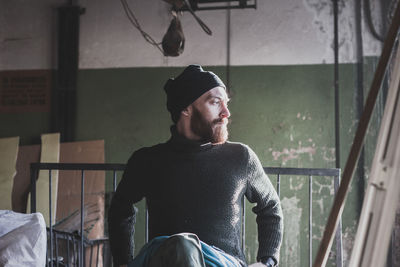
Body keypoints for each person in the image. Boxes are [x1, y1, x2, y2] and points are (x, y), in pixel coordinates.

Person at [108, 65, 283, 267]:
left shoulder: (241, 157)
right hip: (166, 259)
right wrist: (122, 262)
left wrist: (267, 262)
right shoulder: (147, 160)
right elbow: (120, 208)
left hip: (223, 262)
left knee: (184, 245)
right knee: (182, 245)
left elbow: (270, 207)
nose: (226, 112)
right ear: (186, 108)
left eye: (226, 103)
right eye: (215, 102)